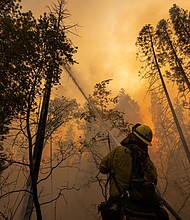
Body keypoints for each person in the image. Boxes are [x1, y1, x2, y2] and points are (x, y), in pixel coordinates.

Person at [99, 123, 169, 220]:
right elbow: (154, 180)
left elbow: (102, 168)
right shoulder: (148, 162)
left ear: (132, 136)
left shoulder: (119, 151)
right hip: (147, 211)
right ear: (146, 143)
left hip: (120, 207)